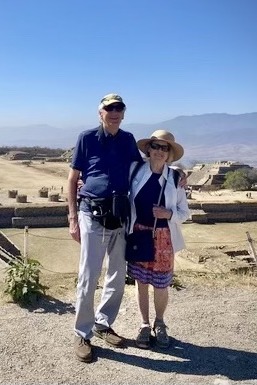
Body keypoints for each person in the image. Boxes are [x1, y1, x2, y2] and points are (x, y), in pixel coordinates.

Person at [67, 93, 143, 363]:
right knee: (88, 276)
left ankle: (102, 324)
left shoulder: (128, 140)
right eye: (109, 108)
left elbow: (142, 170)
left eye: (119, 109)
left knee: (116, 275)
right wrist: (72, 218)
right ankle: (82, 333)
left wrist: (175, 173)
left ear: (123, 114)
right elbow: (73, 178)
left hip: (120, 215)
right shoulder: (86, 138)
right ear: (100, 113)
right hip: (91, 212)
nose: (114, 112)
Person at [127, 129, 190, 349]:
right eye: (156, 146)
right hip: (139, 233)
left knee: (161, 284)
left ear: (169, 153)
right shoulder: (135, 171)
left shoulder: (175, 178)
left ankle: (160, 322)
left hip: (164, 237)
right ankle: (144, 324)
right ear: (149, 149)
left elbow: (185, 213)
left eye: (165, 148)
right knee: (141, 282)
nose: (160, 151)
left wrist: (169, 214)